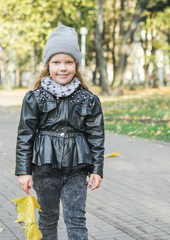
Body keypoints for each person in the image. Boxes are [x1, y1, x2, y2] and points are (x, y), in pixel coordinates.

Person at [15, 25, 105, 240]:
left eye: (68, 62)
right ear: (48, 65)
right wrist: (23, 171)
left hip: (77, 170)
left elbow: (96, 136)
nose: (62, 68)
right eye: (56, 62)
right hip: (44, 169)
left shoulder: (88, 99)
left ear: (76, 65)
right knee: (48, 218)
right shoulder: (35, 98)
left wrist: (97, 169)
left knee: (76, 219)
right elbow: (25, 135)